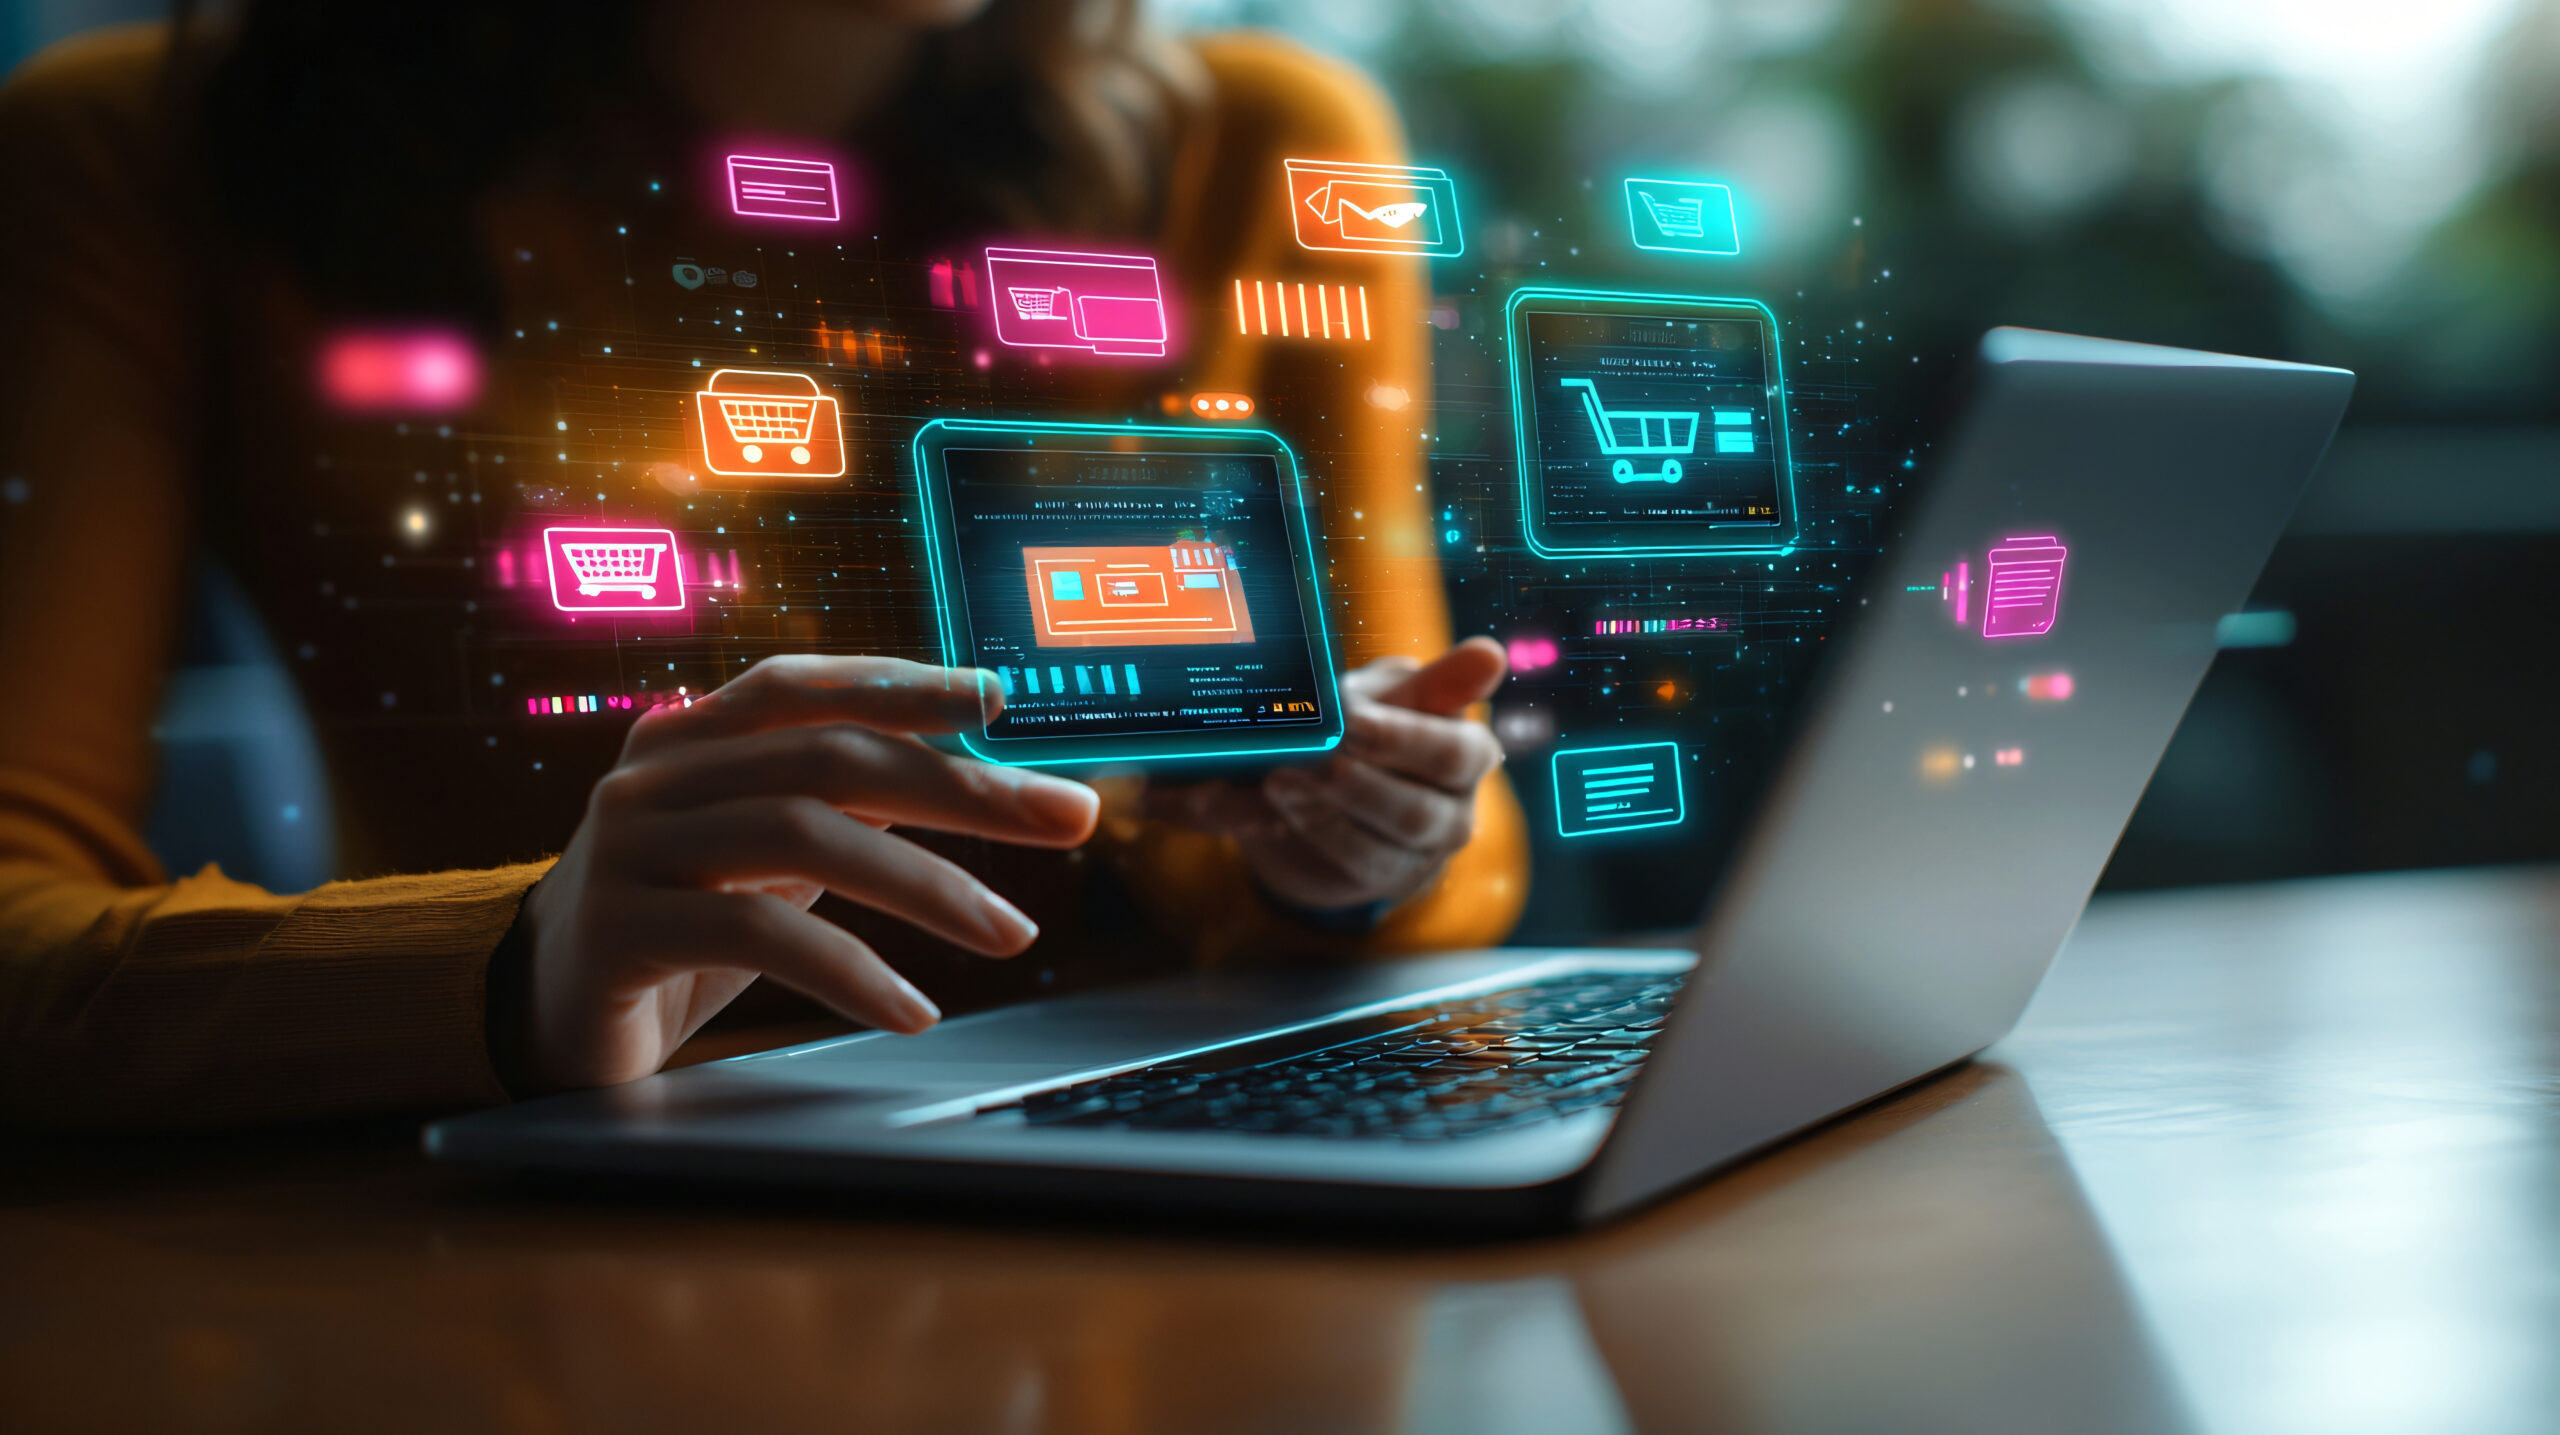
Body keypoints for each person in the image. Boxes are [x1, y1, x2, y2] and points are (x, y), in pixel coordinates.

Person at [0, 0, 1527, 1127]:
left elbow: (1451, 840)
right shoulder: (151, 151)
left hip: (1193, 1175)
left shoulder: (1262, 144)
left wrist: (1349, 852)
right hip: (525, 1230)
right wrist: (518, 965)